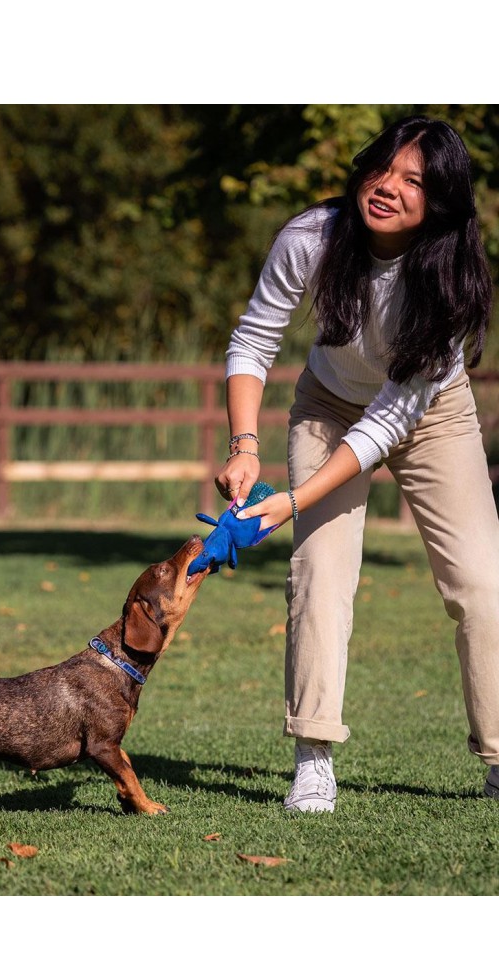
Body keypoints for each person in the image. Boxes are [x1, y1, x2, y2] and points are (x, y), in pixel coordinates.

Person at [217, 115, 499, 812]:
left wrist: (292, 499)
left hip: (431, 415)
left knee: (482, 584)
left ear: (440, 203)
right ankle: (313, 756)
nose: (390, 189)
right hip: (328, 405)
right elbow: (253, 339)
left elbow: (390, 425)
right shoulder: (310, 238)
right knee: (320, 573)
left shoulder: (453, 279)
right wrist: (245, 447)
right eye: (384, 169)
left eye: (415, 182)